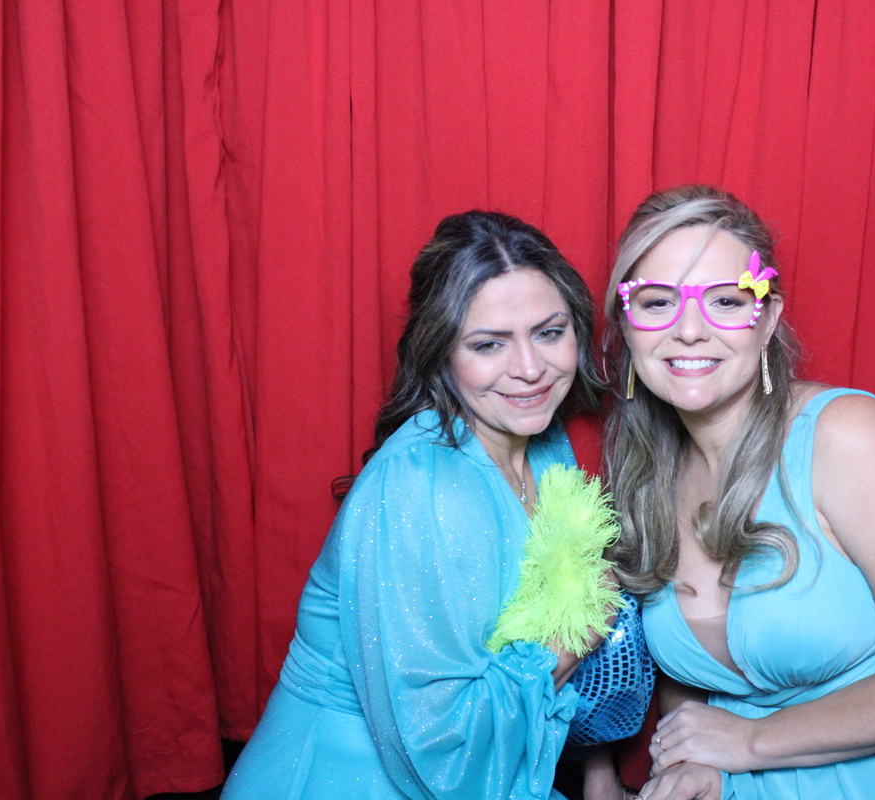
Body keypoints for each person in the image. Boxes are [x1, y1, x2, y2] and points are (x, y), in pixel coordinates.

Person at [602, 186, 875, 800]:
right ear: (628, 326)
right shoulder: (644, 478)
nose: (689, 330)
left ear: (768, 320)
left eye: (726, 301)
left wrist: (748, 743)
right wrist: (695, 766)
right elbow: (693, 693)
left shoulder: (847, 437)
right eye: (657, 303)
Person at [222, 210, 614, 799]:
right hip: (351, 779)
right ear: (441, 354)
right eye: (489, 344)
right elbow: (442, 748)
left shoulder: (543, 440)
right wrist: (578, 632)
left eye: (549, 333)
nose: (531, 370)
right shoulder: (426, 487)